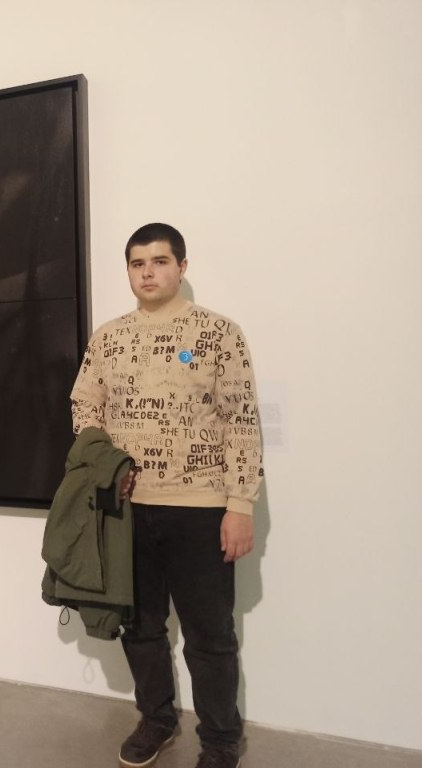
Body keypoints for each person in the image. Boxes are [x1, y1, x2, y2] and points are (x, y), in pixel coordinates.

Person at [70, 224, 262, 768]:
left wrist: (240, 505)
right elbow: (85, 405)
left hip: (200, 509)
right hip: (128, 510)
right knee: (140, 626)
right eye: (138, 263)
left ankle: (220, 740)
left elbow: (241, 421)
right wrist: (105, 468)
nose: (148, 272)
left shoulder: (218, 333)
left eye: (159, 261)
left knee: (209, 635)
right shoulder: (108, 338)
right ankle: (156, 719)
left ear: (181, 267)